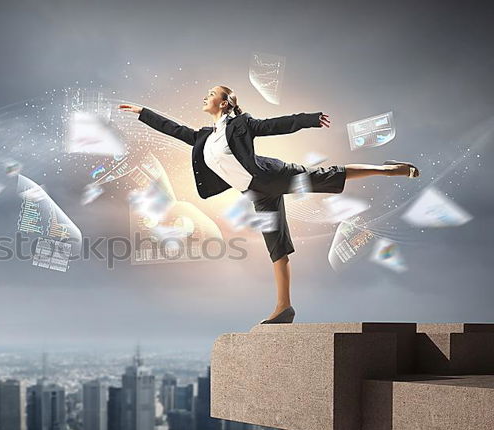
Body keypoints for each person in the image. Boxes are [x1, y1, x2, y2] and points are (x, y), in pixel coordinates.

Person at [119, 86, 419, 324]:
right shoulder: (204, 137)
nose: (206, 97)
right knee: (276, 247)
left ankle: (390, 169)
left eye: (211, 94)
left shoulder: (240, 124)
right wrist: (142, 112)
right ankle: (284, 307)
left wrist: (308, 119)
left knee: (325, 177)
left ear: (224, 103)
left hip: (272, 176)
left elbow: (274, 125)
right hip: (256, 193)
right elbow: (173, 129)